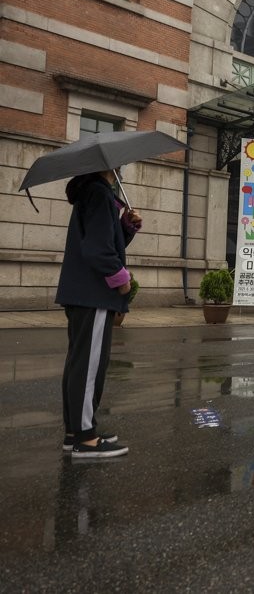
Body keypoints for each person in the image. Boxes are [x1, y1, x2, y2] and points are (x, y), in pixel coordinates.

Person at [58, 170, 142, 459]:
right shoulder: (98, 193)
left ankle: (75, 433)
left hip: (83, 293)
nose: (122, 169)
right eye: (119, 165)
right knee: (89, 366)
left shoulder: (93, 193)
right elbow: (98, 251)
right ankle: (85, 439)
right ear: (109, 167)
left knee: (80, 362)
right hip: (92, 294)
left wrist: (126, 228)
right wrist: (122, 280)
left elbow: (105, 242)